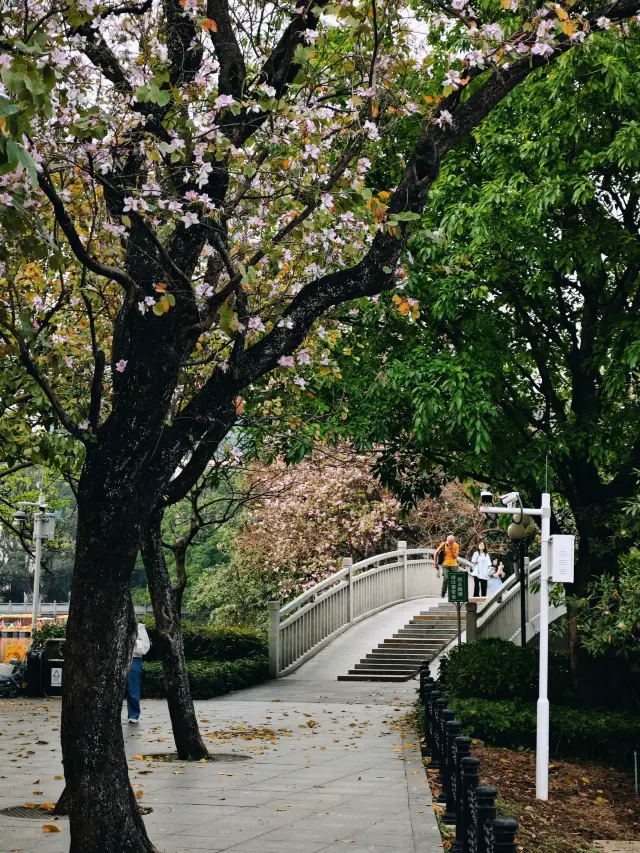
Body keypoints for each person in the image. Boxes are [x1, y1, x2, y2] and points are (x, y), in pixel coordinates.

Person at [126, 622, 150, 725]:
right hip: (115, 659)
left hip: (134, 658)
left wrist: (133, 641)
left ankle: (133, 715)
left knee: (133, 689)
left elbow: (145, 647)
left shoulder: (139, 627)